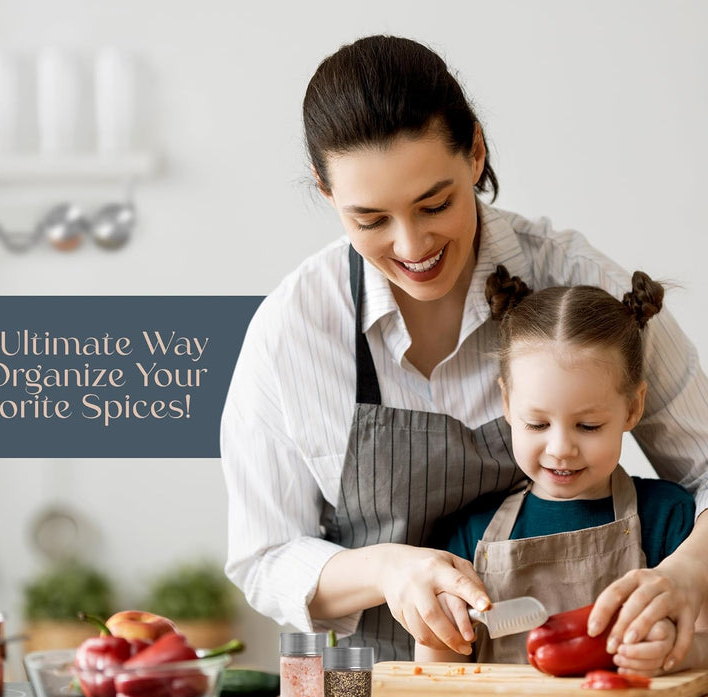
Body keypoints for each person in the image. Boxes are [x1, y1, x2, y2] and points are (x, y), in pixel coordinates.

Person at [220, 34, 708, 664]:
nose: (411, 244)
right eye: (369, 220)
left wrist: (691, 573)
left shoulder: (584, 287)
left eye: (436, 203)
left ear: (476, 152)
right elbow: (263, 558)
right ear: (326, 193)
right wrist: (389, 571)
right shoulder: (293, 328)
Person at [415, 269, 708, 673]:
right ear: (506, 402)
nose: (560, 449)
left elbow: (704, 644)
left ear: (633, 407)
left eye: (588, 426)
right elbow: (438, 675)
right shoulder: (473, 534)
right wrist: (436, 626)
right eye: (537, 424)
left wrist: (677, 653)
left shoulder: (669, 517)